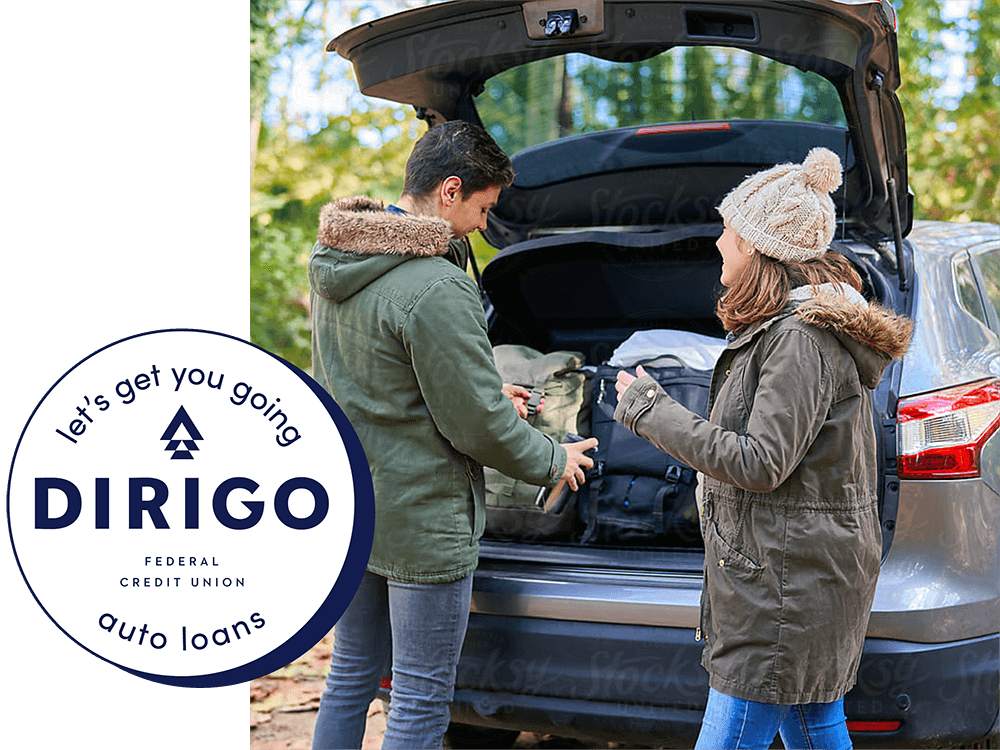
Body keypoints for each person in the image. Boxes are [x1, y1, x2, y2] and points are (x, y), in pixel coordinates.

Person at [308, 120, 597, 750]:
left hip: (356, 502)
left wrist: (485, 389)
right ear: (449, 190)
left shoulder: (339, 261)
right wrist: (553, 458)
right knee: (417, 698)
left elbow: (377, 379)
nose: (483, 227)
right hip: (422, 518)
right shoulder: (436, 284)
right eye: (484, 209)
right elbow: (477, 429)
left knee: (350, 678)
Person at [614, 147, 913, 750]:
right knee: (815, 724)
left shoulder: (799, 340)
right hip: (787, 576)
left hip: (786, 589)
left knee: (737, 731)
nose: (718, 243)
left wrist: (650, 408)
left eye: (727, 230)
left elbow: (759, 462)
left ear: (756, 246)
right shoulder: (790, 331)